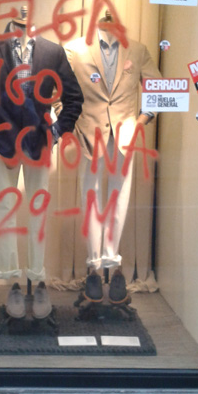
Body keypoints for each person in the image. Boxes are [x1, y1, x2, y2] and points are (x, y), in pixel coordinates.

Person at [0, 9, 83, 319]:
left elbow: (74, 98)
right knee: (4, 209)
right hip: (3, 141)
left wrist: (57, 131)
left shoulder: (52, 52)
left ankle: (37, 279)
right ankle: (12, 280)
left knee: (38, 208)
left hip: (39, 140)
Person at [64, 18, 160, 304]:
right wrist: (70, 122)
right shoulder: (75, 49)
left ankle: (112, 260)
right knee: (90, 198)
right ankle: (94, 267)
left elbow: (157, 89)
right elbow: (58, 90)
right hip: (88, 133)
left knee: (119, 198)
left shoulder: (138, 50)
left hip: (125, 134)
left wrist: (141, 121)